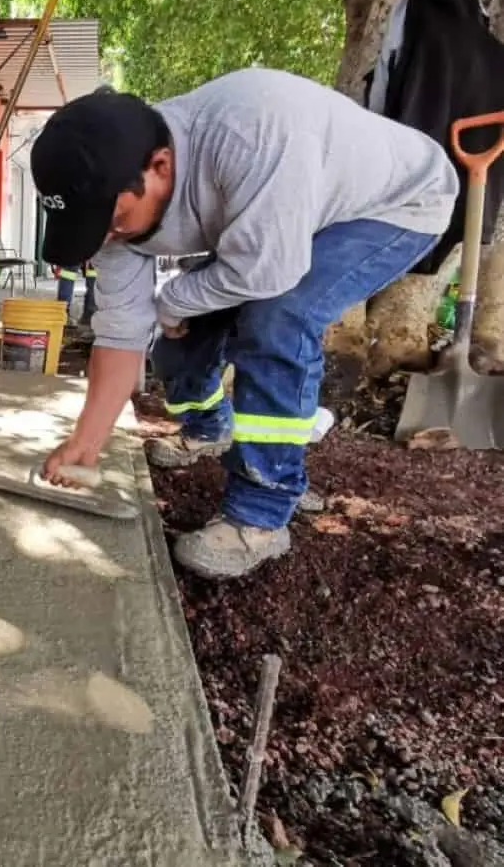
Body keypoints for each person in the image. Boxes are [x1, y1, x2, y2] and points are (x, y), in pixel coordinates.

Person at [30, 68, 458, 580]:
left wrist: (174, 301)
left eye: (115, 222)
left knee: (279, 314)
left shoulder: (249, 140)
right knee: (182, 328)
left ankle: (262, 513)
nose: (109, 238)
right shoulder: (116, 208)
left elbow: (269, 271)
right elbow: (122, 332)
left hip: (394, 204)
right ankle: (208, 427)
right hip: (278, 214)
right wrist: (86, 442)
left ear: (160, 166)